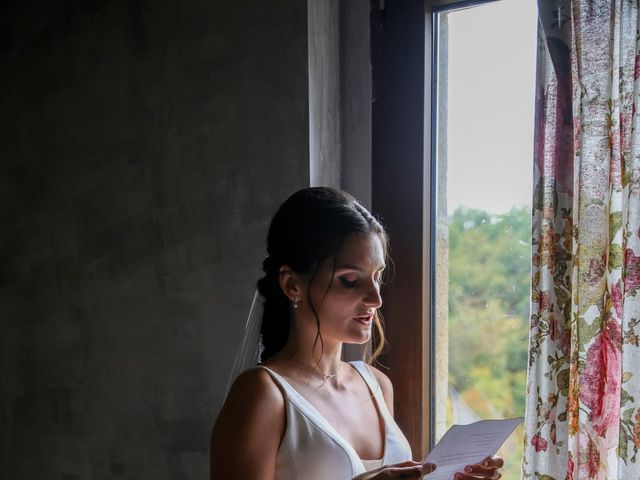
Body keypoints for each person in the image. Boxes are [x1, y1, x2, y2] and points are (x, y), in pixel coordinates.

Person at [211, 187, 503, 479]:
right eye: (349, 281)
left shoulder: (376, 385)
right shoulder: (263, 393)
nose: (376, 299)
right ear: (292, 285)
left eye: (377, 277)